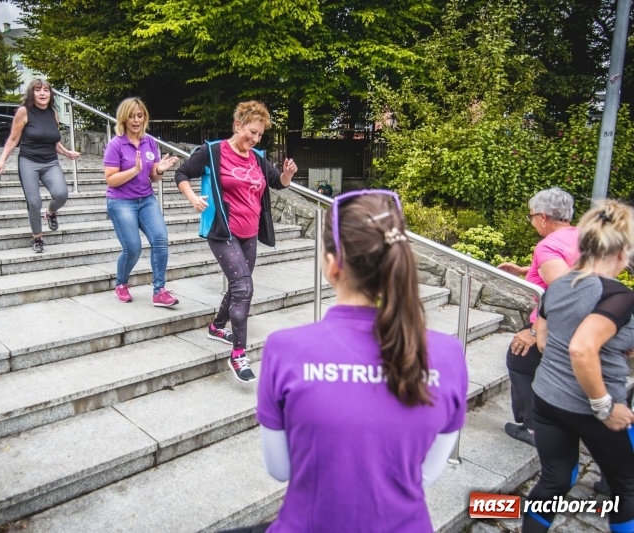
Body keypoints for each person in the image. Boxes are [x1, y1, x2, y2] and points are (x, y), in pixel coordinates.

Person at [246, 190, 467, 532]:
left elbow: (280, 469)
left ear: (333, 265)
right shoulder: (449, 355)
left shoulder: (285, 349)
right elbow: (426, 474)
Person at [522, 199, 634, 533]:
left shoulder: (558, 287)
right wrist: (604, 407)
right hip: (593, 408)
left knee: (555, 478)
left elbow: (543, 340)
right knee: (627, 486)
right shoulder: (619, 296)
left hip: (546, 399)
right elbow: (582, 348)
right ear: (621, 252)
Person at [174, 101, 297, 383]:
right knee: (244, 287)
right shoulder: (213, 151)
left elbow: (277, 181)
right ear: (237, 125)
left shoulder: (256, 157)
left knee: (238, 286)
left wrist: (287, 175)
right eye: (251, 132)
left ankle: (217, 326)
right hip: (223, 232)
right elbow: (182, 173)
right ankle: (238, 353)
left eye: (259, 135)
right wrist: (193, 197)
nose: (254, 139)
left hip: (250, 233)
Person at [496, 187, 579, 446]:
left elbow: (565, 292)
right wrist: (527, 271)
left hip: (556, 321)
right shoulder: (581, 236)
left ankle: (534, 430)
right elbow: (572, 271)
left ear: (543, 217)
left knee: (519, 358)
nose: (531, 221)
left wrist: (534, 331)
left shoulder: (548, 245)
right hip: (585, 323)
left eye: (531, 216)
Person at [103, 97, 179, 307]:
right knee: (133, 248)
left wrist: (160, 169)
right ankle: (121, 284)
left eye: (140, 115)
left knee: (160, 240)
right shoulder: (115, 144)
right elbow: (110, 179)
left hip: (146, 199)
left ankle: (159, 291)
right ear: (124, 118)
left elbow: (154, 177)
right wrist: (134, 170)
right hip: (120, 202)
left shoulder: (149, 142)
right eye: (131, 116)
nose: (136, 120)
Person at [0, 79, 80, 253]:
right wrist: (2, 160)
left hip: (50, 162)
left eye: (46, 90)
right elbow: (13, 138)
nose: (42, 93)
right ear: (31, 93)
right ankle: (38, 238)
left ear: (50, 94)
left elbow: (53, 140)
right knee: (34, 202)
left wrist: (66, 152)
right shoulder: (24, 112)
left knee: (61, 194)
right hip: (29, 162)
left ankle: (50, 213)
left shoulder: (53, 113)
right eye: (38, 90)